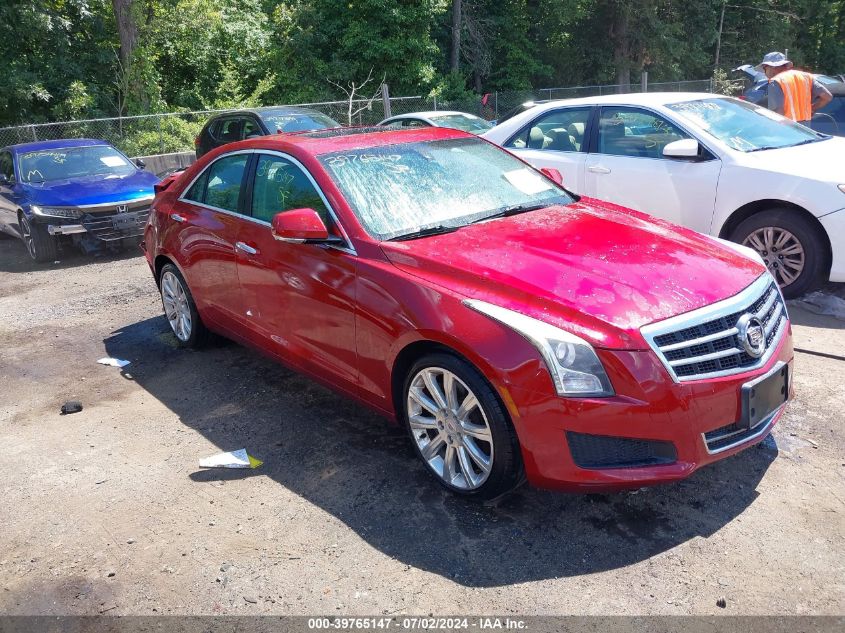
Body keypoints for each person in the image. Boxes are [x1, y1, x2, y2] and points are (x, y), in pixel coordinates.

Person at [758, 51, 832, 124]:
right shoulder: (807, 76)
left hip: (787, 130)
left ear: (772, 67)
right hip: (805, 131)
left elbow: (779, 112)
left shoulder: (775, 81)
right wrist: (812, 109)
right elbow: (827, 97)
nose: (765, 73)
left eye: (764, 69)